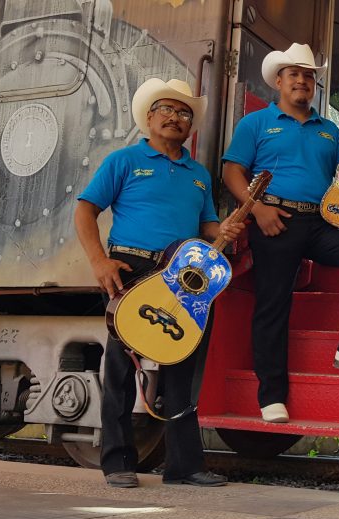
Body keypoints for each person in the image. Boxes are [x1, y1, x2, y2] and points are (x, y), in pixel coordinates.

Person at [75, 78, 240, 488]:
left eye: (184, 113)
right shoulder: (124, 161)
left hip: (180, 275)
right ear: (149, 117)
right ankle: (116, 462)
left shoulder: (200, 175)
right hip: (130, 268)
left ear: (191, 126)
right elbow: (84, 210)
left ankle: (183, 466)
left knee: (183, 366)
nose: (175, 117)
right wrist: (99, 262)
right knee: (119, 367)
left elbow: (207, 229)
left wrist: (226, 229)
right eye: (166, 109)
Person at [221, 43, 339, 424]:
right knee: (273, 306)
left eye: (309, 75)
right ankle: (271, 396)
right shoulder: (256, 123)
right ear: (279, 81)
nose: (303, 81)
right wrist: (258, 210)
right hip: (276, 218)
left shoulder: (329, 131)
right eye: (294, 74)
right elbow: (231, 173)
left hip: (321, 222)